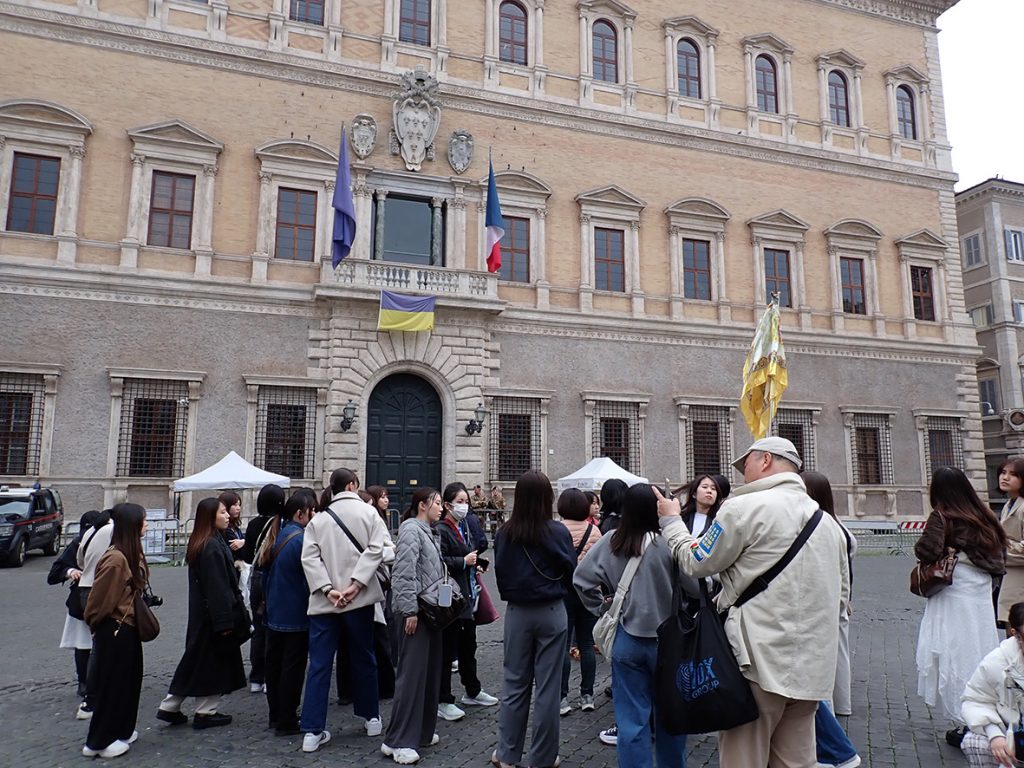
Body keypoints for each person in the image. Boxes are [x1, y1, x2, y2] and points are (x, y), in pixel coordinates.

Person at [657, 436, 850, 768]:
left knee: (744, 759)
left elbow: (696, 561)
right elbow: (843, 597)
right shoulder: (828, 523)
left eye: (745, 464)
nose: (741, 474)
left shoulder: (742, 508)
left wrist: (672, 522)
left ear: (765, 460)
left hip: (757, 663)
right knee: (797, 763)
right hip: (812, 667)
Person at [574, 484, 694, 768]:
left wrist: (603, 607)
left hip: (627, 637)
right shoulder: (669, 543)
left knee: (630, 721)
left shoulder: (613, 540)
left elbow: (581, 579)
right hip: (667, 640)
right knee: (671, 718)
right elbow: (696, 587)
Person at [916, 466, 1006, 747]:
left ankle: (970, 720)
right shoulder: (984, 515)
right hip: (980, 592)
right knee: (980, 649)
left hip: (953, 591)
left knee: (955, 653)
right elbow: (999, 556)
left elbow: (926, 551)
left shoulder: (943, 515)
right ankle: (989, 713)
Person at [299, 467, 387, 753]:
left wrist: (328, 589)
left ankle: (312, 731)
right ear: (351, 485)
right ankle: (371, 718)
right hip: (359, 600)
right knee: (364, 658)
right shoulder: (369, 513)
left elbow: (309, 558)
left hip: (326, 603)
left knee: (319, 665)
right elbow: (377, 549)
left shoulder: (318, 520)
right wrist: (356, 584)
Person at [492, 470, 576, 768]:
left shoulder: (505, 532)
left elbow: (500, 571)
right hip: (552, 610)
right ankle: (543, 757)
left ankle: (507, 754)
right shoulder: (557, 531)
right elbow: (570, 569)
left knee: (515, 683)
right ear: (547, 498)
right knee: (548, 688)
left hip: (518, 612)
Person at [157, 497, 247, 729]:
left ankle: (171, 705)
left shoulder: (206, 541)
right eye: (223, 512)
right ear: (210, 517)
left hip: (205, 614)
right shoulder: (211, 546)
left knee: (196, 660)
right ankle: (205, 711)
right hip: (213, 616)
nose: (228, 516)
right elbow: (217, 587)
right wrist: (224, 621)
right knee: (210, 661)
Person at [382, 487, 447, 765]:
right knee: (411, 677)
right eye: (437, 503)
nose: (441, 507)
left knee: (429, 674)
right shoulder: (411, 529)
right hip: (416, 613)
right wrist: (409, 610)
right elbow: (403, 572)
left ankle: (421, 732)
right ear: (422, 505)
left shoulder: (429, 531)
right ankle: (398, 741)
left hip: (431, 613)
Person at [802, 471, 861, 768]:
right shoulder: (838, 526)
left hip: (824, 603)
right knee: (838, 655)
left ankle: (831, 714)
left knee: (824, 660)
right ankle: (841, 703)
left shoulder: (823, 526)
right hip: (835, 601)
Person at [81, 503, 149, 758]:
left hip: (127, 627)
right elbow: (98, 601)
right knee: (112, 685)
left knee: (128, 682)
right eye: (144, 520)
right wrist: (96, 624)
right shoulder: (116, 559)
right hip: (114, 628)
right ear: (133, 525)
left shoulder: (129, 553)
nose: (147, 525)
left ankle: (122, 729)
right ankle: (98, 741)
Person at [435, 483, 499, 722]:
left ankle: (472, 690)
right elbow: (440, 560)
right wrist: (463, 561)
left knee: (468, 647)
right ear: (447, 504)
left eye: (466, 502)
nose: (464, 506)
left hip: (468, 596)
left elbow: (469, 553)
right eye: (459, 502)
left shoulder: (464, 527)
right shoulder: (441, 529)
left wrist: (476, 563)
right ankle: (443, 699)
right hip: (451, 599)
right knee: (447, 650)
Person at [257, 487, 316, 736]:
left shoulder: (278, 534)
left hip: (274, 613)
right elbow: (309, 578)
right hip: (295, 615)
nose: (315, 516)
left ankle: (276, 715)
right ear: (301, 514)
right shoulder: (301, 540)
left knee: (275, 666)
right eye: (312, 511)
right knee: (292, 668)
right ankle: (287, 719)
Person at [48, 510, 103, 708]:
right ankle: (83, 681)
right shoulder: (78, 543)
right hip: (81, 602)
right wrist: (70, 571)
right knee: (83, 644)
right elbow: (54, 573)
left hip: (104, 599)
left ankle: (101, 679)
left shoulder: (109, 542)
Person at [556, 487, 602, 716]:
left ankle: (562, 698)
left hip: (563, 592)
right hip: (589, 592)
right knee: (586, 645)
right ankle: (587, 695)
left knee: (563, 647)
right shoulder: (595, 531)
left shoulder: (556, 530)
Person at [961, 601, 1024, 767]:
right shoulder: (996, 662)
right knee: (974, 742)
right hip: (1013, 736)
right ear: (1016, 635)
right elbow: (975, 700)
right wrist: (995, 735)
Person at [241, 484, 285, 693]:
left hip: (256, 577)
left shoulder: (252, 524)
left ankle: (256, 678)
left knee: (258, 628)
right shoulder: (279, 524)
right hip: (273, 577)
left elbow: (248, 555)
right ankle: (270, 676)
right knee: (273, 629)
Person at [75, 507, 113, 721]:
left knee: (98, 642)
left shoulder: (91, 531)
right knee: (103, 644)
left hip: (85, 589)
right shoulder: (114, 530)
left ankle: (93, 696)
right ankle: (92, 698)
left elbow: (80, 560)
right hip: (102, 590)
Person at [996, 458, 1024, 626]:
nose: (1005, 477)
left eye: (1013, 474)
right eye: (1003, 472)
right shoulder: (1009, 504)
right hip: (1011, 576)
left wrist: (1001, 548)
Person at [220, 491, 245, 560]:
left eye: (239, 505)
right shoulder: (224, 528)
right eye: (235, 505)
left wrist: (243, 542)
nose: (238, 508)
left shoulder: (235, 527)